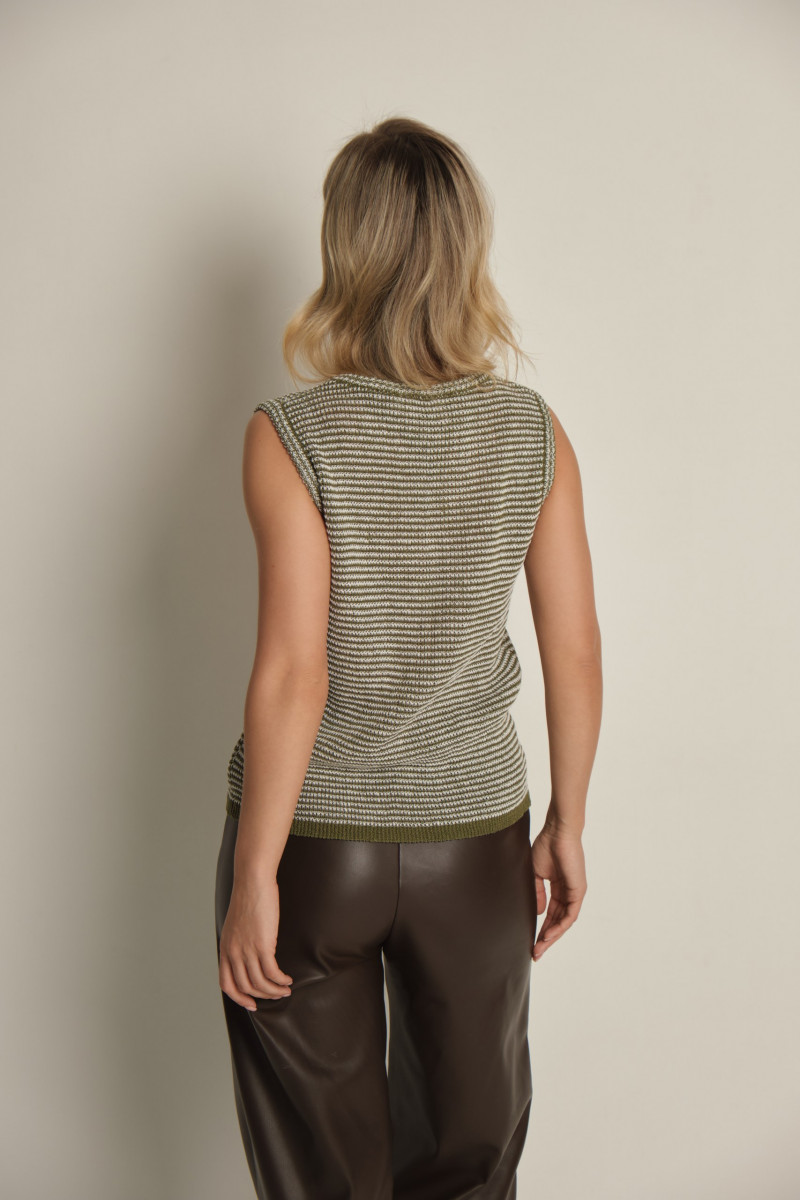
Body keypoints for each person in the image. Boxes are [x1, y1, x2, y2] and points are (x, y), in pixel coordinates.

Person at [213, 115, 602, 1200]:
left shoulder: (291, 433)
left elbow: (296, 672)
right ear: (466, 249)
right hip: (474, 846)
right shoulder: (530, 431)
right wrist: (567, 821)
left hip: (315, 848)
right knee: (468, 1162)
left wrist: (254, 876)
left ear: (347, 247)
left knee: (322, 1175)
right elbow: (572, 645)